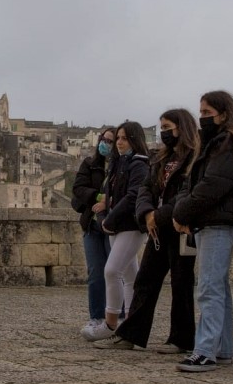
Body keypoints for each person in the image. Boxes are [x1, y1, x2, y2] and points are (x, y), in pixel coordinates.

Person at [94, 109, 198, 352]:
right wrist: (147, 214)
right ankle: (131, 333)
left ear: (181, 128)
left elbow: (187, 193)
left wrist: (158, 215)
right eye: (161, 127)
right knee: (145, 281)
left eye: (167, 127)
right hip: (157, 228)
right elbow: (145, 190)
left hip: (179, 226)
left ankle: (181, 339)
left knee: (181, 283)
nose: (163, 132)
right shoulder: (160, 158)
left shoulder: (192, 158)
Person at [173, 91, 233, 372]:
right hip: (209, 221)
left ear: (223, 114)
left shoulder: (229, 143)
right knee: (218, 286)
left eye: (207, 113)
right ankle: (221, 348)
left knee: (209, 287)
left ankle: (205, 349)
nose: (202, 118)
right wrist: (183, 209)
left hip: (218, 221)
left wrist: (182, 211)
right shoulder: (215, 143)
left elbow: (212, 186)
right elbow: (193, 182)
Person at [97, 121, 151, 337]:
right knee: (129, 274)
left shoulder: (138, 164)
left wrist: (109, 219)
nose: (119, 142)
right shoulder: (119, 163)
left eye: (124, 138)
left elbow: (133, 196)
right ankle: (129, 321)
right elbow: (110, 195)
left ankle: (111, 323)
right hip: (119, 225)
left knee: (112, 271)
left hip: (130, 224)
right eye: (118, 138)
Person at [72, 128, 116, 340]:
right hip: (92, 224)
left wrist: (108, 201)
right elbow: (78, 188)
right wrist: (99, 197)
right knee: (96, 272)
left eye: (110, 141)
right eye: (104, 139)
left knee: (115, 272)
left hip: (114, 224)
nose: (105, 144)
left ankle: (117, 317)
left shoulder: (122, 166)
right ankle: (97, 317)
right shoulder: (90, 164)